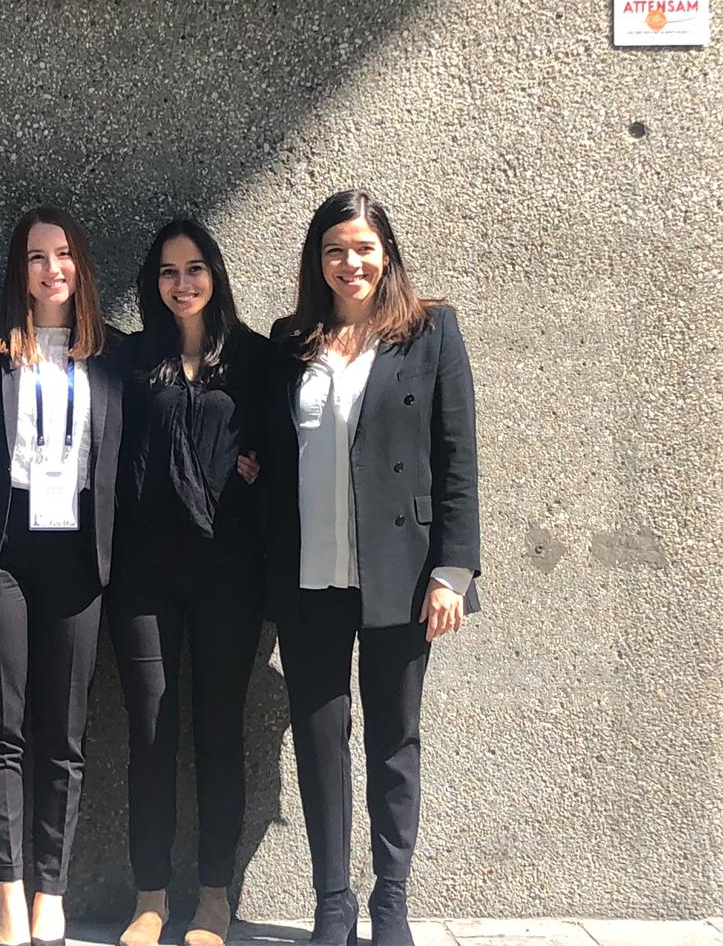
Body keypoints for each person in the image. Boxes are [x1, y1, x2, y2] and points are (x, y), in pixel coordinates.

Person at [256, 190, 480, 946]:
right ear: (316, 261)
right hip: (309, 573)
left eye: (362, 248)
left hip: (402, 574)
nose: (349, 263)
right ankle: (332, 902)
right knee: (320, 739)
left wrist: (454, 571)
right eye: (334, 250)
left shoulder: (431, 330)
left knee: (394, 739)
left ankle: (390, 903)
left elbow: (457, 457)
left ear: (386, 253)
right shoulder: (292, 340)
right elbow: (272, 442)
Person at [0, 208, 125, 946]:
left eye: (62, 255)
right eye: (34, 256)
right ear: (18, 270)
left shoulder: (114, 354)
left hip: (78, 550)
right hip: (3, 548)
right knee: (1, 724)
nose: (51, 269)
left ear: (80, 264)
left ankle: (52, 889)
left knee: (64, 731)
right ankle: (9, 893)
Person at [108, 219, 265, 946]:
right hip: (144, 574)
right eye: (168, 271)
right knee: (150, 733)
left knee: (219, 733)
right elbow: (55, 334)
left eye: (195, 268)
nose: (182, 283)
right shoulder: (133, 357)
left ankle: (213, 897)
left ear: (216, 274)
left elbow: (287, 443)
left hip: (229, 572)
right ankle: (150, 897)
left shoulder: (255, 357)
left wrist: (258, 468)